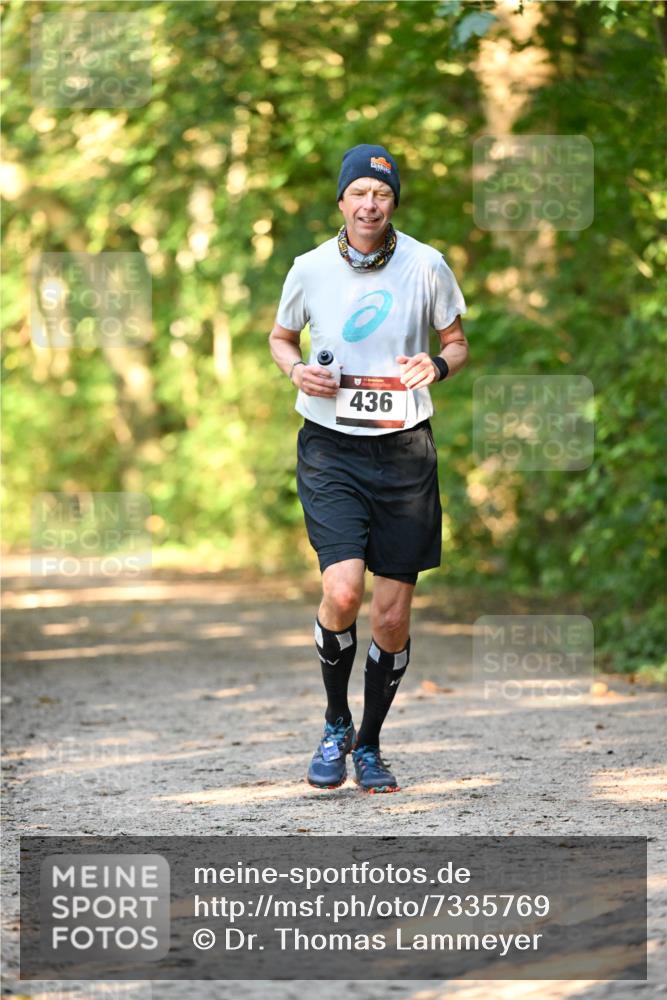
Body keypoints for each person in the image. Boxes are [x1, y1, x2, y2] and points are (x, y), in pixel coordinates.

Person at [269, 143, 469, 793]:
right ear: (341, 202)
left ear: (392, 204)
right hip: (330, 447)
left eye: (381, 195)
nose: (369, 204)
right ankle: (334, 723)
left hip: (404, 450)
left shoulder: (426, 265)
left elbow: (456, 341)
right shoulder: (308, 268)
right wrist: (294, 369)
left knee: (389, 617)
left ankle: (370, 744)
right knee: (344, 592)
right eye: (358, 193)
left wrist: (434, 367)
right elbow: (280, 336)